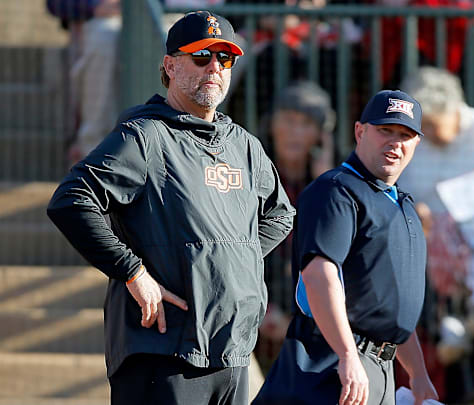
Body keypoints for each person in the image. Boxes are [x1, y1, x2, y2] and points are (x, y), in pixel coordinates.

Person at [46, 11, 295, 405]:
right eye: (201, 57)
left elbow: (281, 214)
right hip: (162, 350)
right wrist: (132, 271)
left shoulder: (244, 145)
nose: (215, 67)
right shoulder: (144, 135)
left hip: (230, 351)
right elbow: (72, 200)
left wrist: (230, 261)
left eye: (225, 58)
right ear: (169, 66)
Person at [252, 90, 438, 405]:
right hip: (328, 363)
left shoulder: (403, 204)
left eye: (405, 134)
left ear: (416, 144)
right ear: (359, 131)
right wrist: (347, 354)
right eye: (384, 130)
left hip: (377, 367)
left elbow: (393, 309)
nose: (394, 141)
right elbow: (318, 277)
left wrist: (418, 374)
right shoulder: (336, 190)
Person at [399, 65, 474, 402]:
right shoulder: (414, 141)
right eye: (425, 126)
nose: (430, 133)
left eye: (436, 123)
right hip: (430, 251)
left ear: (455, 108)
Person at [255, 80, 335, 362]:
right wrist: (263, 311)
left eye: (306, 124)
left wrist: (325, 179)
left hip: (312, 321)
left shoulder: (332, 183)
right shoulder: (253, 174)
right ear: (271, 125)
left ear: (321, 136)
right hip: (257, 314)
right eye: (288, 121)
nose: (295, 132)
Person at [46, 0, 122, 165]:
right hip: (97, 24)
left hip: (153, 18)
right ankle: (91, 159)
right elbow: (55, 4)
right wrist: (93, 7)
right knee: (104, 37)